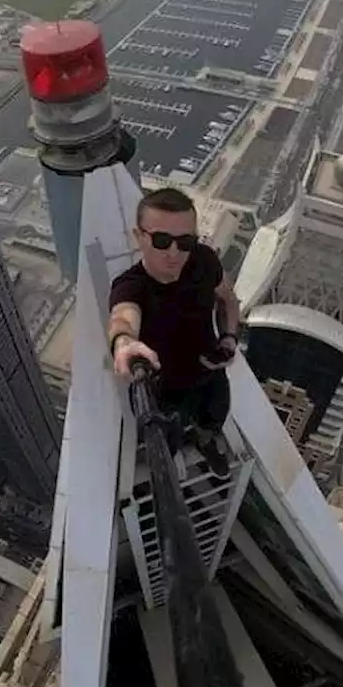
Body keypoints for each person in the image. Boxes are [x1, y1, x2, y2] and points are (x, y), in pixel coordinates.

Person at [107, 188, 239, 480]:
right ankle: (172, 458)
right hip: (161, 390)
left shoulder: (203, 261)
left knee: (212, 421)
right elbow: (123, 317)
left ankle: (206, 442)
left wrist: (229, 339)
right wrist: (124, 344)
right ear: (139, 236)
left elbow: (228, 299)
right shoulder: (131, 287)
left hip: (208, 374)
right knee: (166, 440)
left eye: (185, 242)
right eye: (162, 240)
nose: (174, 253)